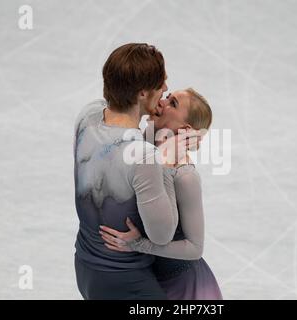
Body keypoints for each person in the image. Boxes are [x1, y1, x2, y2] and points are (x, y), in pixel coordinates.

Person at [73, 43, 201, 299]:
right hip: (125, 283)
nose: (165, 89)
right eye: (160, 84)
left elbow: (115, 152)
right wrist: (165, 163)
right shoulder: (144, 156)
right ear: (143, 93)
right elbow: (162, 235)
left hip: (85, 266)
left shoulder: (87, 117)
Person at [100, 88, 223, 300]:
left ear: (184, 128)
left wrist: (139, 245)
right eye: (167, 97)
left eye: (172, 103)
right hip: (145, 278)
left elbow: (195, 248)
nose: (162, 103)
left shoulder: (184, 176)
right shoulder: (144, 144)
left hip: (184, 288)